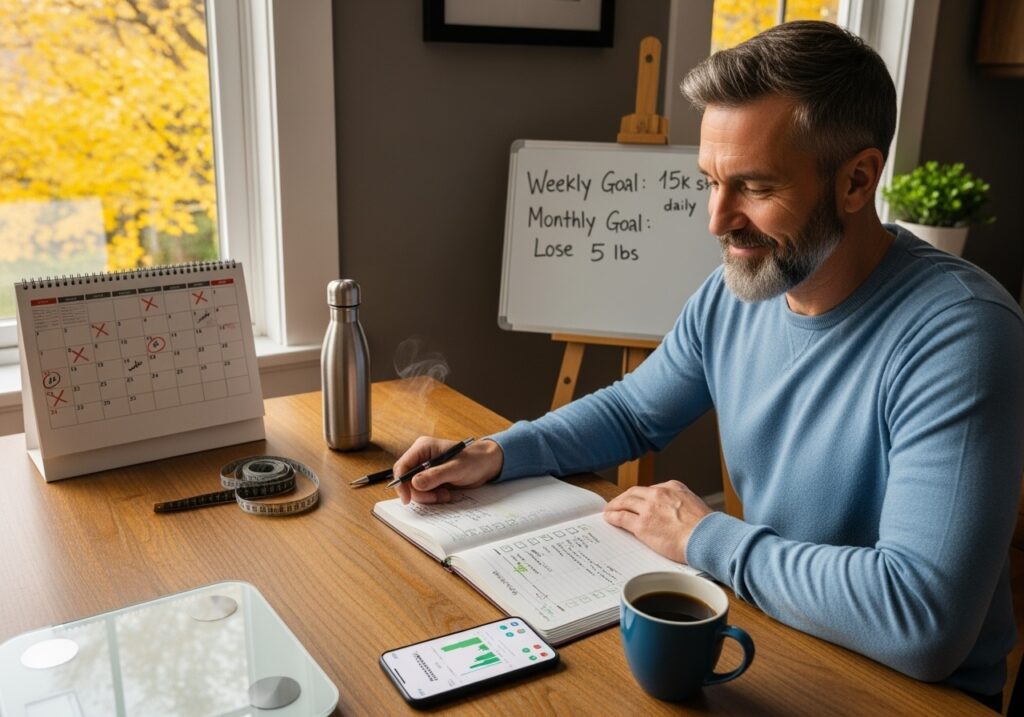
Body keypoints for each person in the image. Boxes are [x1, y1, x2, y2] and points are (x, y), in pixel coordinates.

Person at [392, 21, 1024, 709]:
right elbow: (634, 411)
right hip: (777, 637)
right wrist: (496, 451)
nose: (718, 221)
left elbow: (922, 618)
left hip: (906, 695)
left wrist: (702, 535)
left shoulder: (962, 335)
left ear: (858, 180)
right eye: (711, 183)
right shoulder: (740, 291)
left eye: (753, 186)